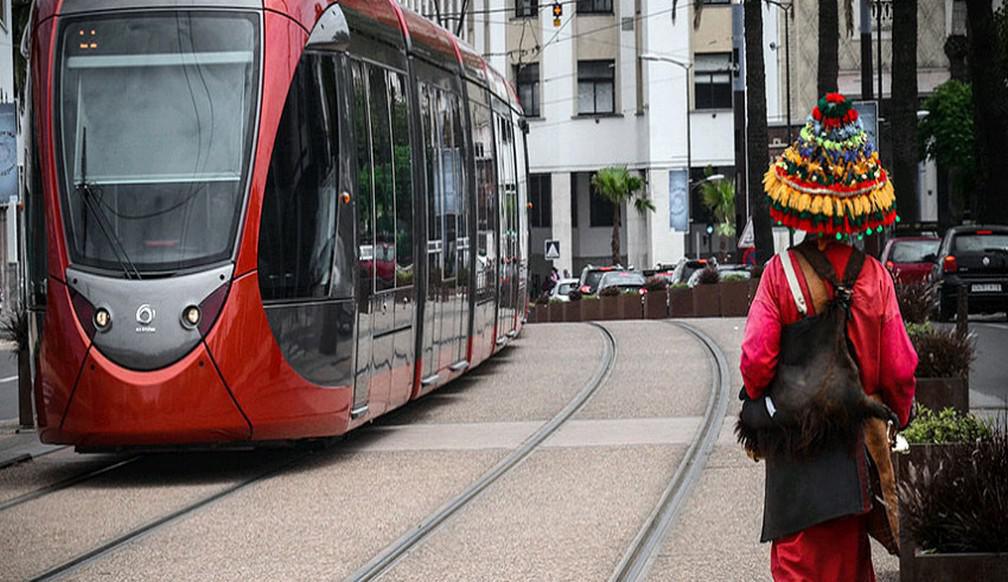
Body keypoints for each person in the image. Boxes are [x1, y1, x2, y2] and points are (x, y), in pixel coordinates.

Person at [739, 93, 917, 581]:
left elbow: (755, 363)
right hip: (853, 455)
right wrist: (899, 414)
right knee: (851, 565)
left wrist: (763, 403)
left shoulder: (780, 275)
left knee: (797, 565)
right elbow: (900, 371)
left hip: (796, 460)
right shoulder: (875, 278)